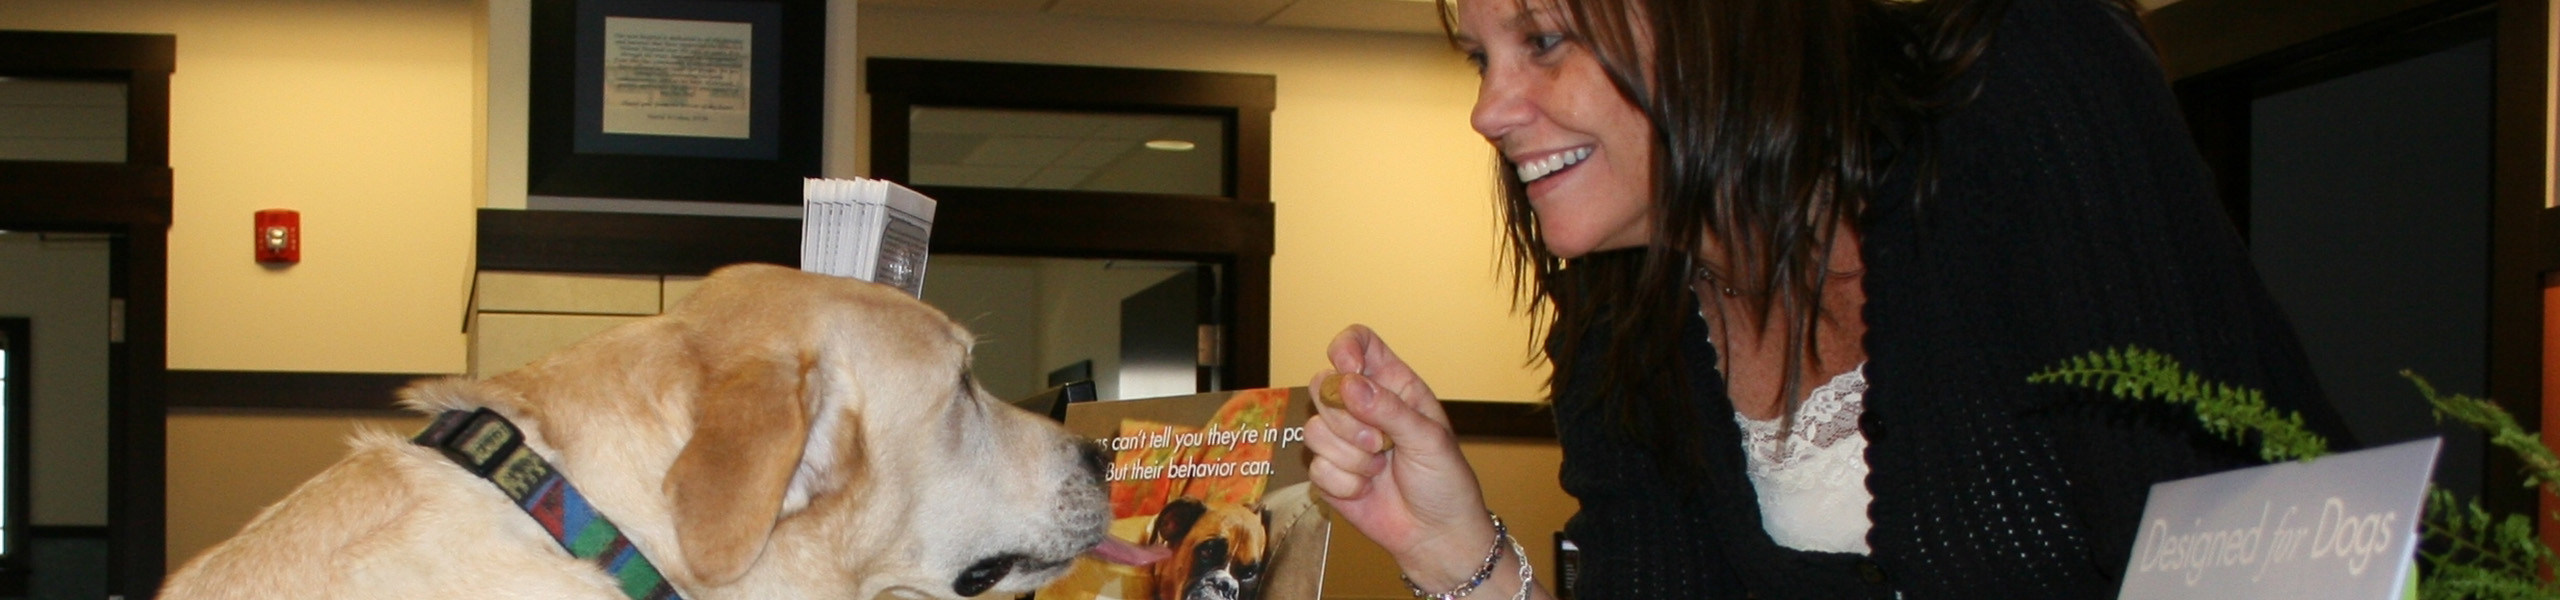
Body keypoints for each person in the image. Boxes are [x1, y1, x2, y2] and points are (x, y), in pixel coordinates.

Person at [1300, 0, 2357, 597]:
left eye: (1543, 42)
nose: (1489, 109)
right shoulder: (1625, 321)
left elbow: (2250, 548)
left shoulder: (2019, 96)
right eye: (1478, 57)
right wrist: (1451, 551)